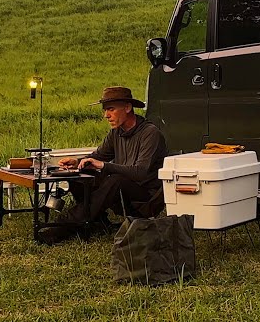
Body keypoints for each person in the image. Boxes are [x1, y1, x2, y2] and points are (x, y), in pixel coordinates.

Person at [39, 86, 167, 244]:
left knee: (115, 180)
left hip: (146, 198)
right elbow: (99, 155)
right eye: (105, 110)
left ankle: (61, 228)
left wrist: (103, 166)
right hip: (121, 192)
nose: (106, 115)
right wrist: (78, 162)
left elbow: (140, 172)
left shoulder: (150, 133)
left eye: (111, 109)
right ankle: (96, 221)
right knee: (80, 174)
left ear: (128, 108)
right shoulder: (116, 132)